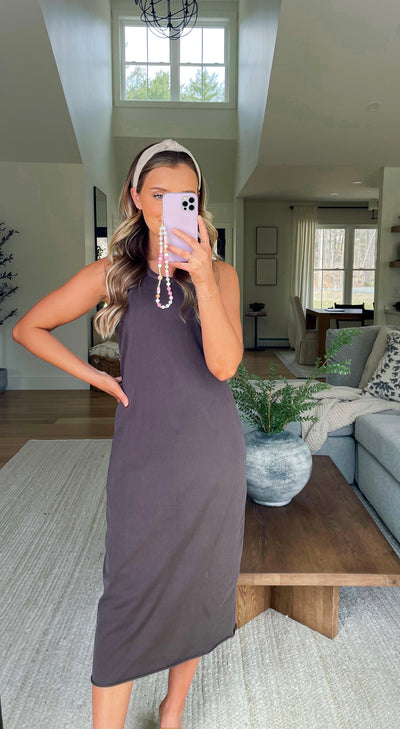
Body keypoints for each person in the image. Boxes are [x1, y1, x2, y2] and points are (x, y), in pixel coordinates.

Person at [12, 139, 247, 729]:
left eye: (184, 197)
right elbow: (29, 327)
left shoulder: (220, 274)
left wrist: (204, 278)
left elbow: (224, 366)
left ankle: (172, 710)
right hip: (143, 453)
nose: (170, 207)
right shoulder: (112, 273)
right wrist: (94, 374)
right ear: (136, 197)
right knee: (127, 591)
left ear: (199, 203)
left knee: (202, 584)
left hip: (211, 454)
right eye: (158, 194)